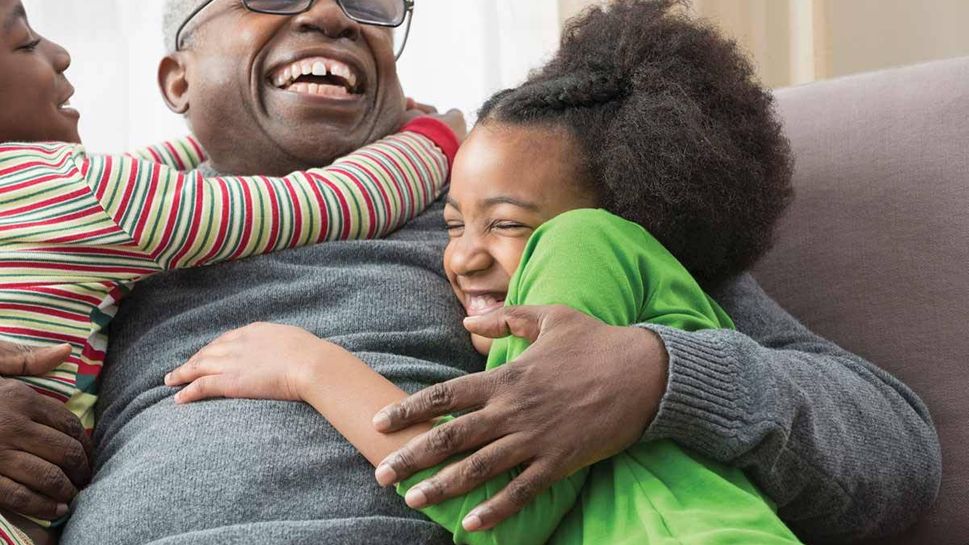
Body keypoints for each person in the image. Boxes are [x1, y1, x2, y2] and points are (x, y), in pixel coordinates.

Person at [0, 1, 939, 544]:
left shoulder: (527, 215)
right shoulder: (87, 238)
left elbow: (894, 449)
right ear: (176, 82)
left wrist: (657, 375)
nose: (329, 12)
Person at [165, 3, 813, 543]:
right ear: (175, 79)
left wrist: (310, 366)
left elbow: (497, 503)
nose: (464, 256)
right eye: (452, 224)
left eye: (504, 223)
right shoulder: (120, 243)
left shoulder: (582, 240)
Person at [0, 0, 461, 542]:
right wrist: (433, 138)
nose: (334, 17)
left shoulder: (492, 209)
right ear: (178, 82)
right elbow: (333, 199)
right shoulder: (103, 210)